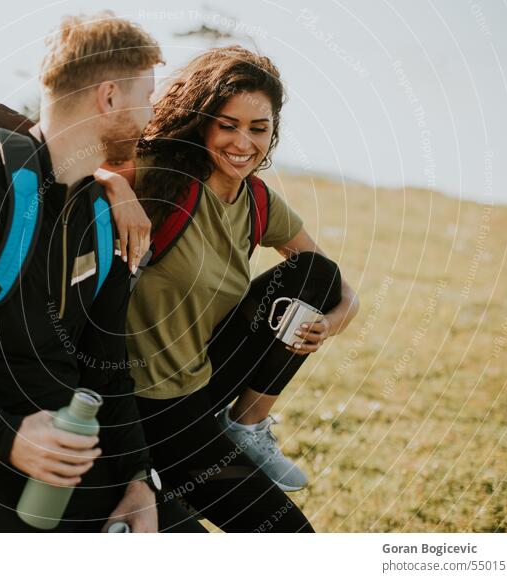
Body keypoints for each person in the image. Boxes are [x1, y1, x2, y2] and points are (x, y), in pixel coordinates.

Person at [0, 12, 200, 533]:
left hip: (67, 462)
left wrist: (137, 478)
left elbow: (105, 363)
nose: (150, 115)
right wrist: (11, 439)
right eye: (146, 97)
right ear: (109, 97)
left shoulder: (98, 212)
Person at [98, 46, 360, 532]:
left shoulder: (258, 200)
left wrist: (332, 323)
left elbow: (338, 284)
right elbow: (71, 165)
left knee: (314, 272)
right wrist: (116, 189)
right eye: (228, 124)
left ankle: (246, 426)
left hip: (197, 391)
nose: (244, 142)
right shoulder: (162, 171)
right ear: (202, 122)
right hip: (133, 404)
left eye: (258, 129)